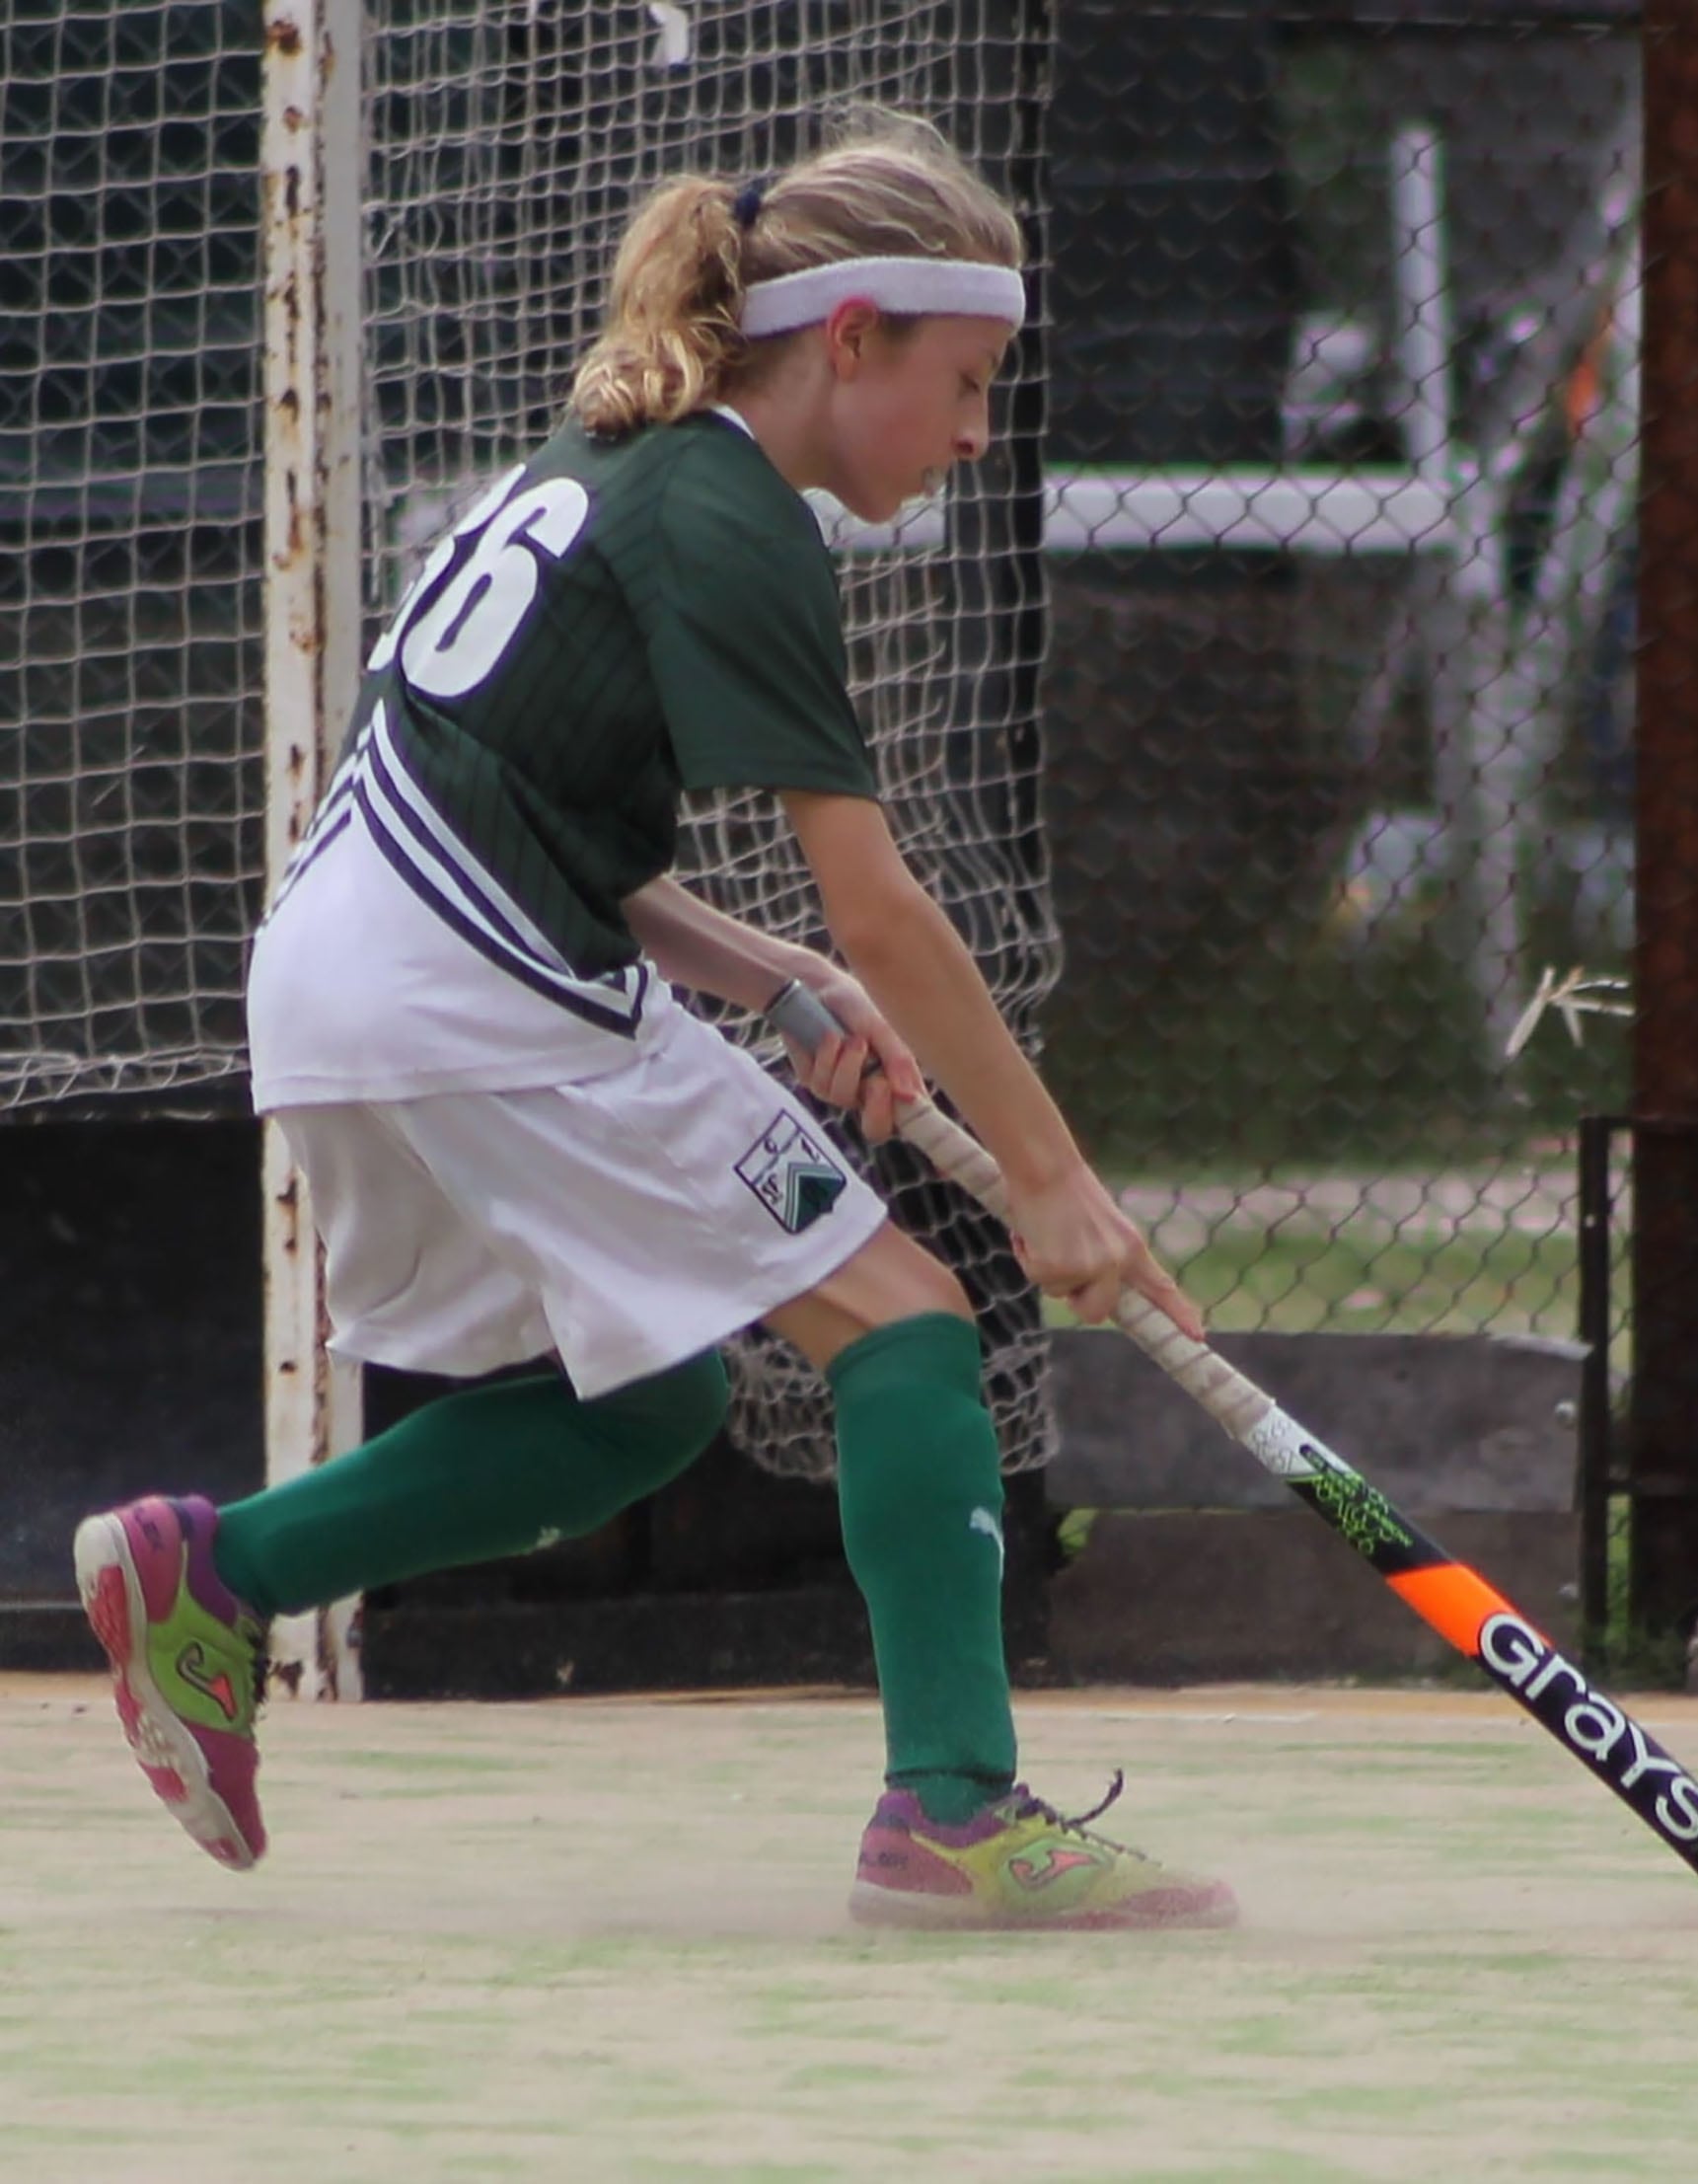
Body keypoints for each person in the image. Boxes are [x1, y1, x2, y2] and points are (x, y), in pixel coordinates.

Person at [73, 114, 1236, 1932]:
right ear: (847, 339)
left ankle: (216, 1571)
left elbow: (558, 831)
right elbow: (888, 906)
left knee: (641, 1402)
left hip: (348, 973)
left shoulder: (608, 469)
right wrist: (1053, 1179)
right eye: (965, 380)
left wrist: (768, 981)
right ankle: (953, 1806)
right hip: (472, 981)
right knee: (911, 1319)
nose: (976, 434)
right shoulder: (731, 519)